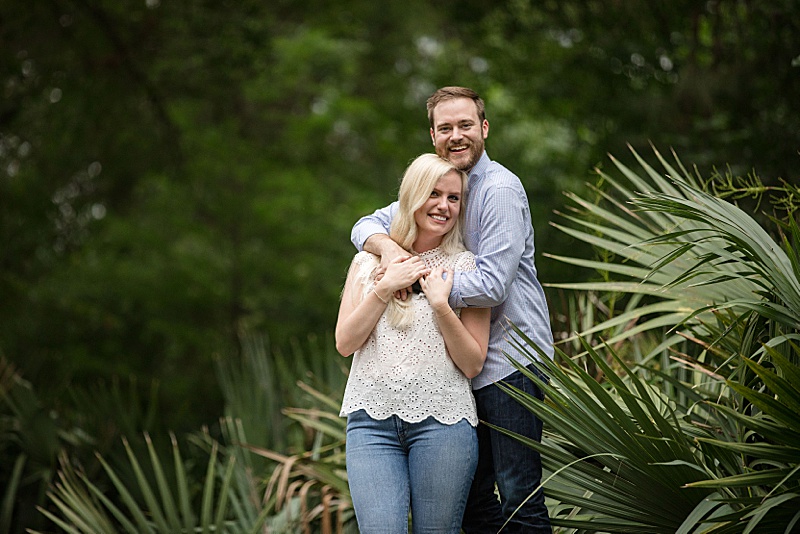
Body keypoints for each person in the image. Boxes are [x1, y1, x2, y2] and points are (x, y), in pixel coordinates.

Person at [350, 86, 554, 533]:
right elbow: (366, 225)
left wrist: (417, 278)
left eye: (465, 125)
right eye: (446, 128)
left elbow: (490, 285)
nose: (456, 135)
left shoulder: (498, 188)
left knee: (518, 493)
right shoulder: (440, 185)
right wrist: (388, 251)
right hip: (463, 372)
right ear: (433, 135)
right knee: (475, 505)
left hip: (510, 361)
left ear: (483, 128)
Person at [336, 153, 491, 533]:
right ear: (412, 196)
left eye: (453, 198)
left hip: (444, 425)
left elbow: (472, 363)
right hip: (371, 425)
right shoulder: (367, 263)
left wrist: (441, 305)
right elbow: (345, 342)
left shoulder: (468, 268)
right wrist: (385, 288)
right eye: (434, 194)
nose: (443, 206)